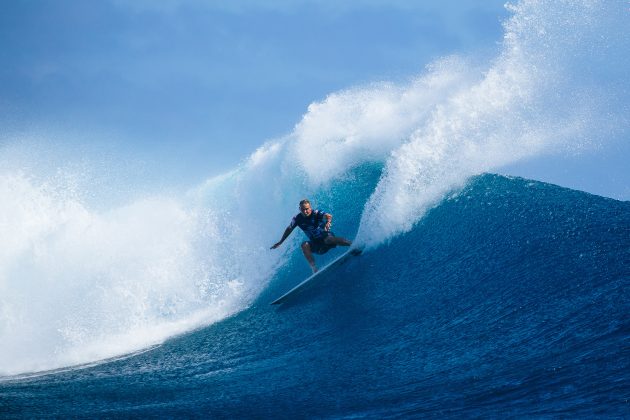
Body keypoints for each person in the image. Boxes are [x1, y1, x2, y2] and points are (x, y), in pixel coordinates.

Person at [271, 199, 352, 273]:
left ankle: (352, 244)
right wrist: (280, 242)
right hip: (318, 246)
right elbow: (289, 228)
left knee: (328, 239)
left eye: (307, 209)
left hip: (327, 238)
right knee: (304, 245)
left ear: (310, 208)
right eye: (303, 209)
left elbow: (328, 216)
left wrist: (328, 222)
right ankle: (314, 269)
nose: (305, 211)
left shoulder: (316, 213)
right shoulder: (297, 219)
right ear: (300, 209)